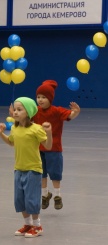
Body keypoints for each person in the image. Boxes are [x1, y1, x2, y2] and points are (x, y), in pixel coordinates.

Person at [0, 97, 52, 238]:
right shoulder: (15, 128)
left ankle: (37, 226)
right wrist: (0, 134)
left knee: (31, 199)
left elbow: (48, 145)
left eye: (19, 109)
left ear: (28, 112)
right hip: (18, 168)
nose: (15, 112)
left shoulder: (36, 129)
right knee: (19, 199)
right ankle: (27, 224)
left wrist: (49, 133)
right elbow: (11, 143)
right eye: (14, 109)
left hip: (33, 169)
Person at [33, 80, 80, 210]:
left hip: (54, 149)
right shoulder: (35, 111)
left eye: (44, 97)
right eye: (38, 97)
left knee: (55, 173)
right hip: (39, 148)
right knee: (40, 173)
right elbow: (24, 118)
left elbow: (70, 115)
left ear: (50, 98)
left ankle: (57, 196)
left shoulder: (57, 111)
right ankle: (44, 195)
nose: (40, 100)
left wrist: (75, 112)